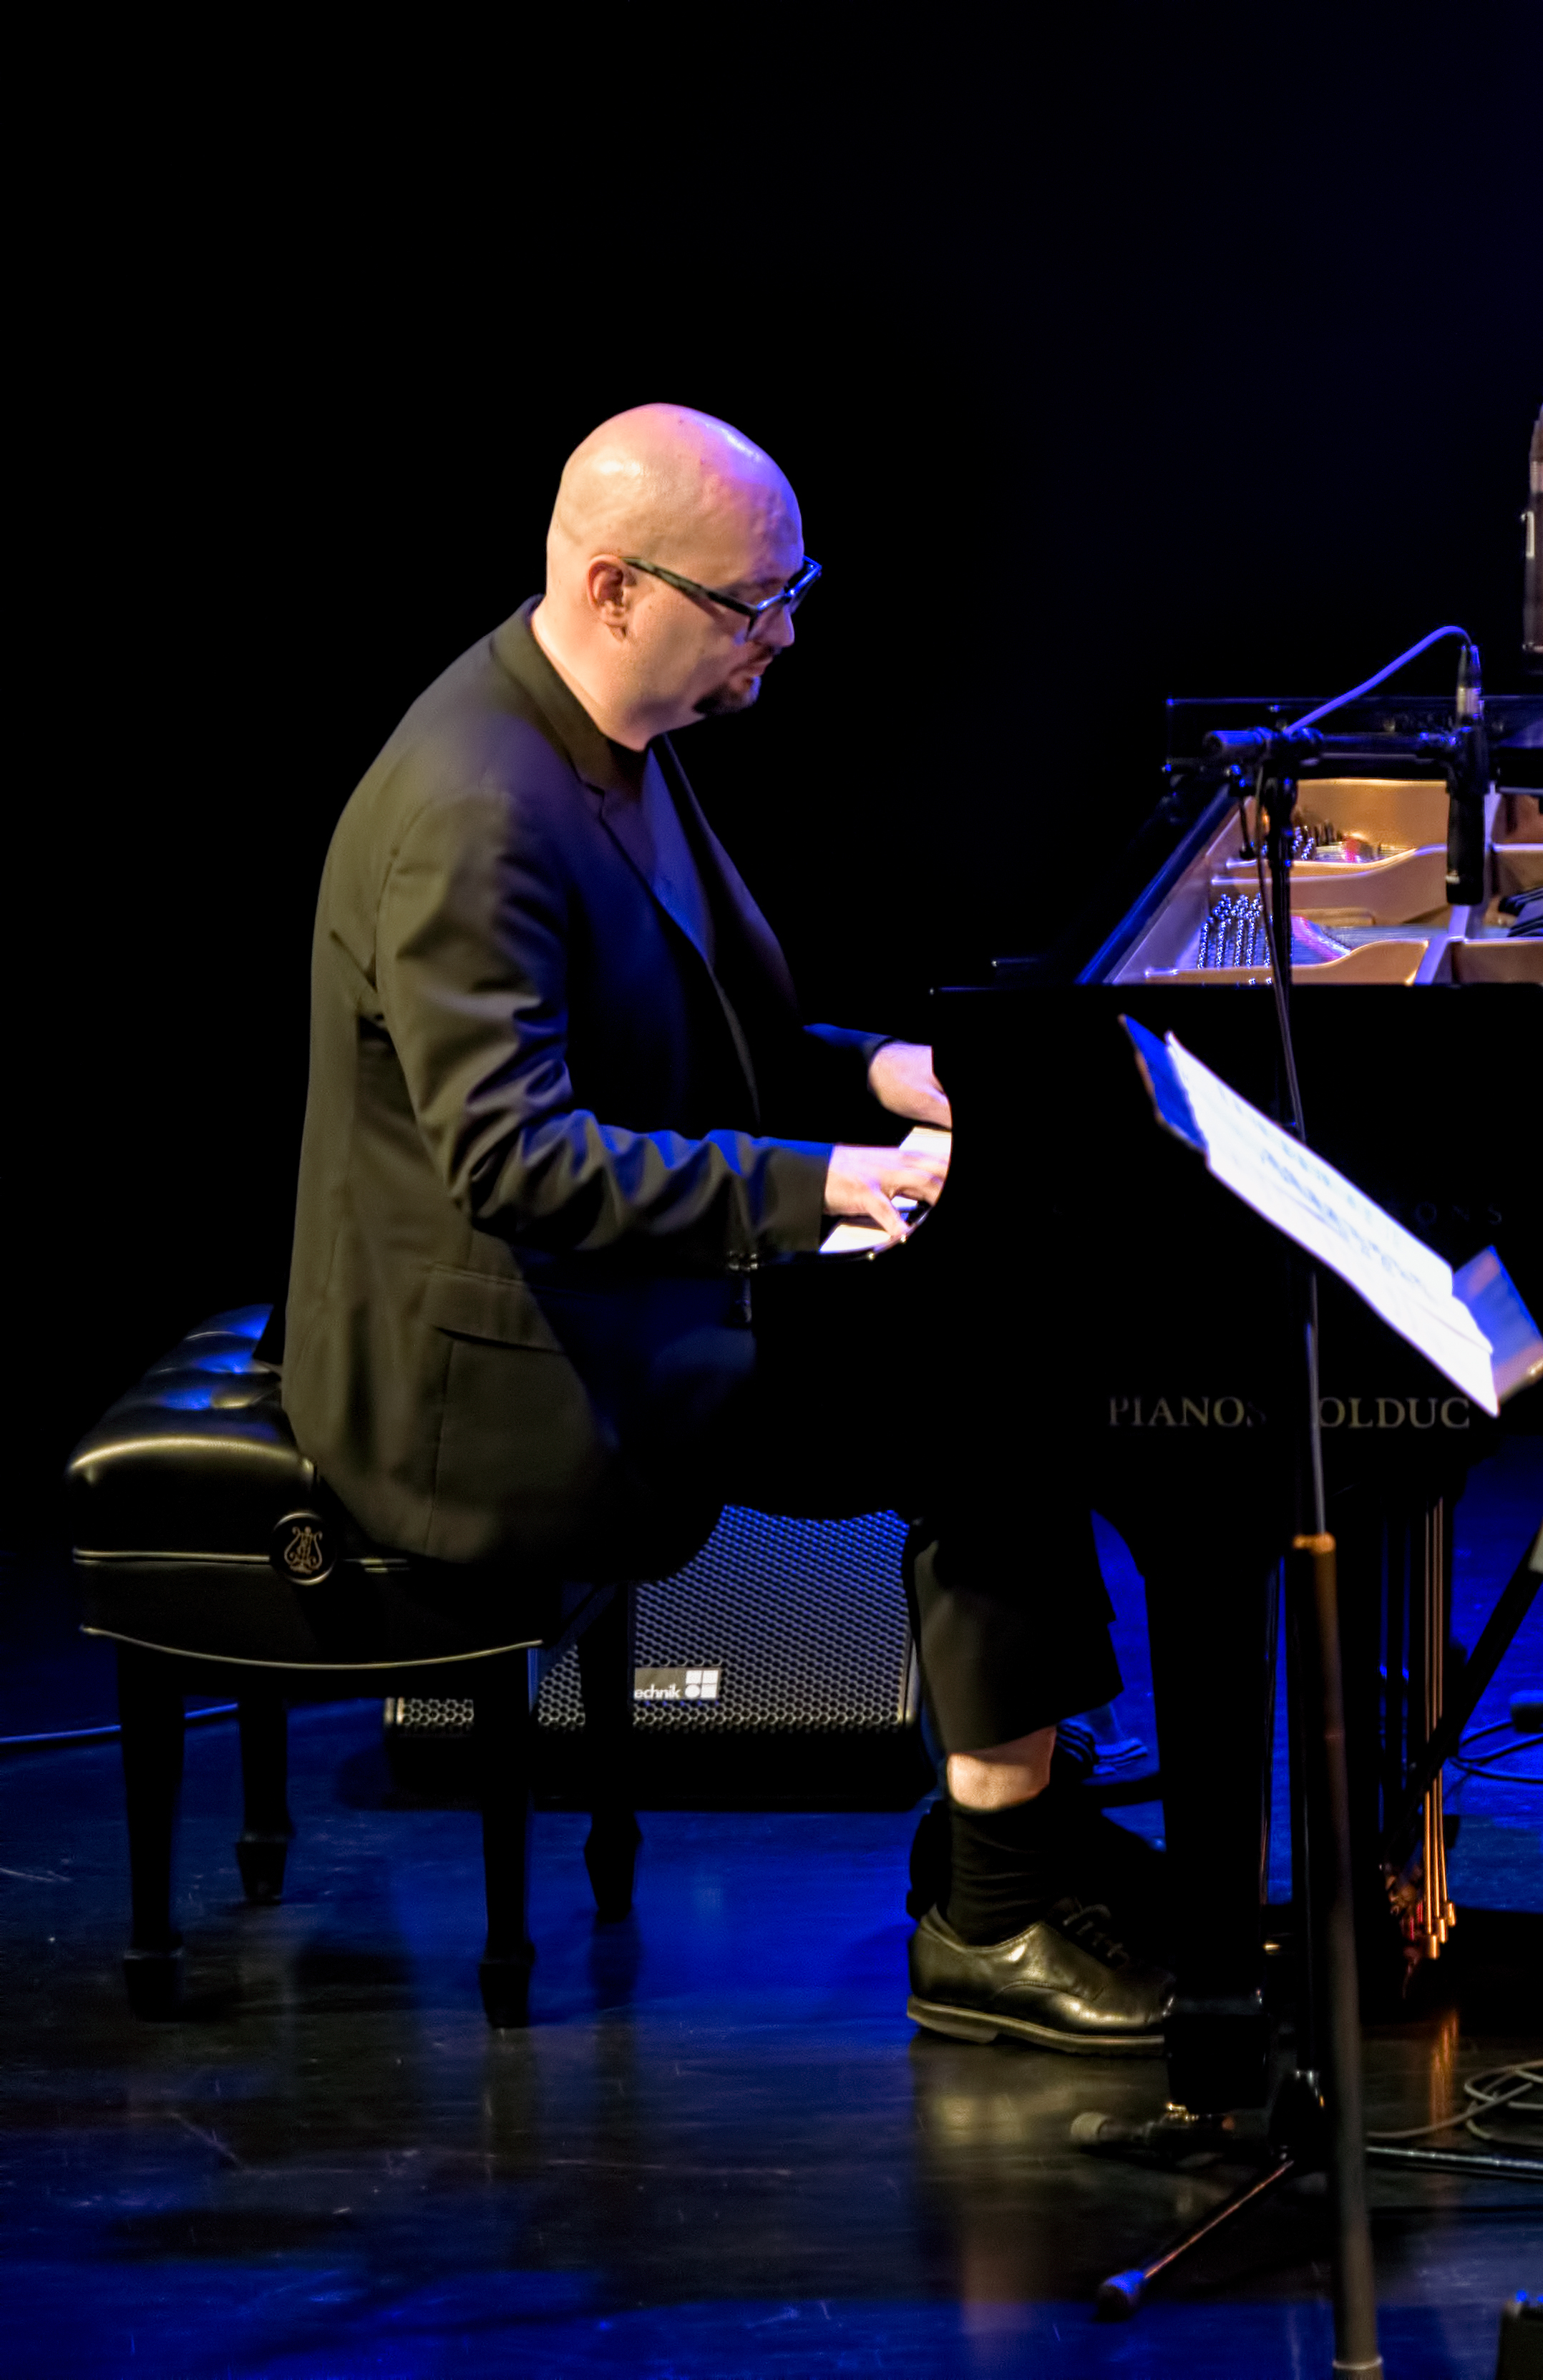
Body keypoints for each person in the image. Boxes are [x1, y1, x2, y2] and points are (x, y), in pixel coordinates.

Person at [281, 403, 1171, 2053]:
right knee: (979, 1387)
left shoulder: (610, 741)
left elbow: (700, 1047)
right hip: (512, 1368)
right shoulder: (477, 808)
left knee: (1003, 1330)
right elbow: (519, 1163)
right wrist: (837, 1179)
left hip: (600, 1289)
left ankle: (1013, 1831)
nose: (785, 633)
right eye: (754, 601)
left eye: (790, 588)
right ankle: (989, 1911)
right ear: (618, 587)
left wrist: (894, 1075)